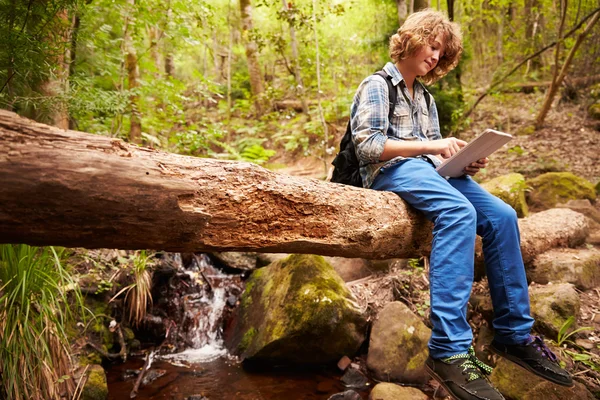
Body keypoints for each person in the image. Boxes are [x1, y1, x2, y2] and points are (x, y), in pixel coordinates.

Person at [349, 9, 573, 400]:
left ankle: (513, 333)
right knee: (458, 211)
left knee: (502, 215)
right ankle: (449, 349)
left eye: (441, 51)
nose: (435, 56)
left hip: (430, 172)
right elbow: (367, 146)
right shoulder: (377, 85)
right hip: (391, 172)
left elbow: (436, 160)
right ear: (412, 39)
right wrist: (432, 146)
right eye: (431, 45)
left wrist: (463, 161)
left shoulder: (426, 98)